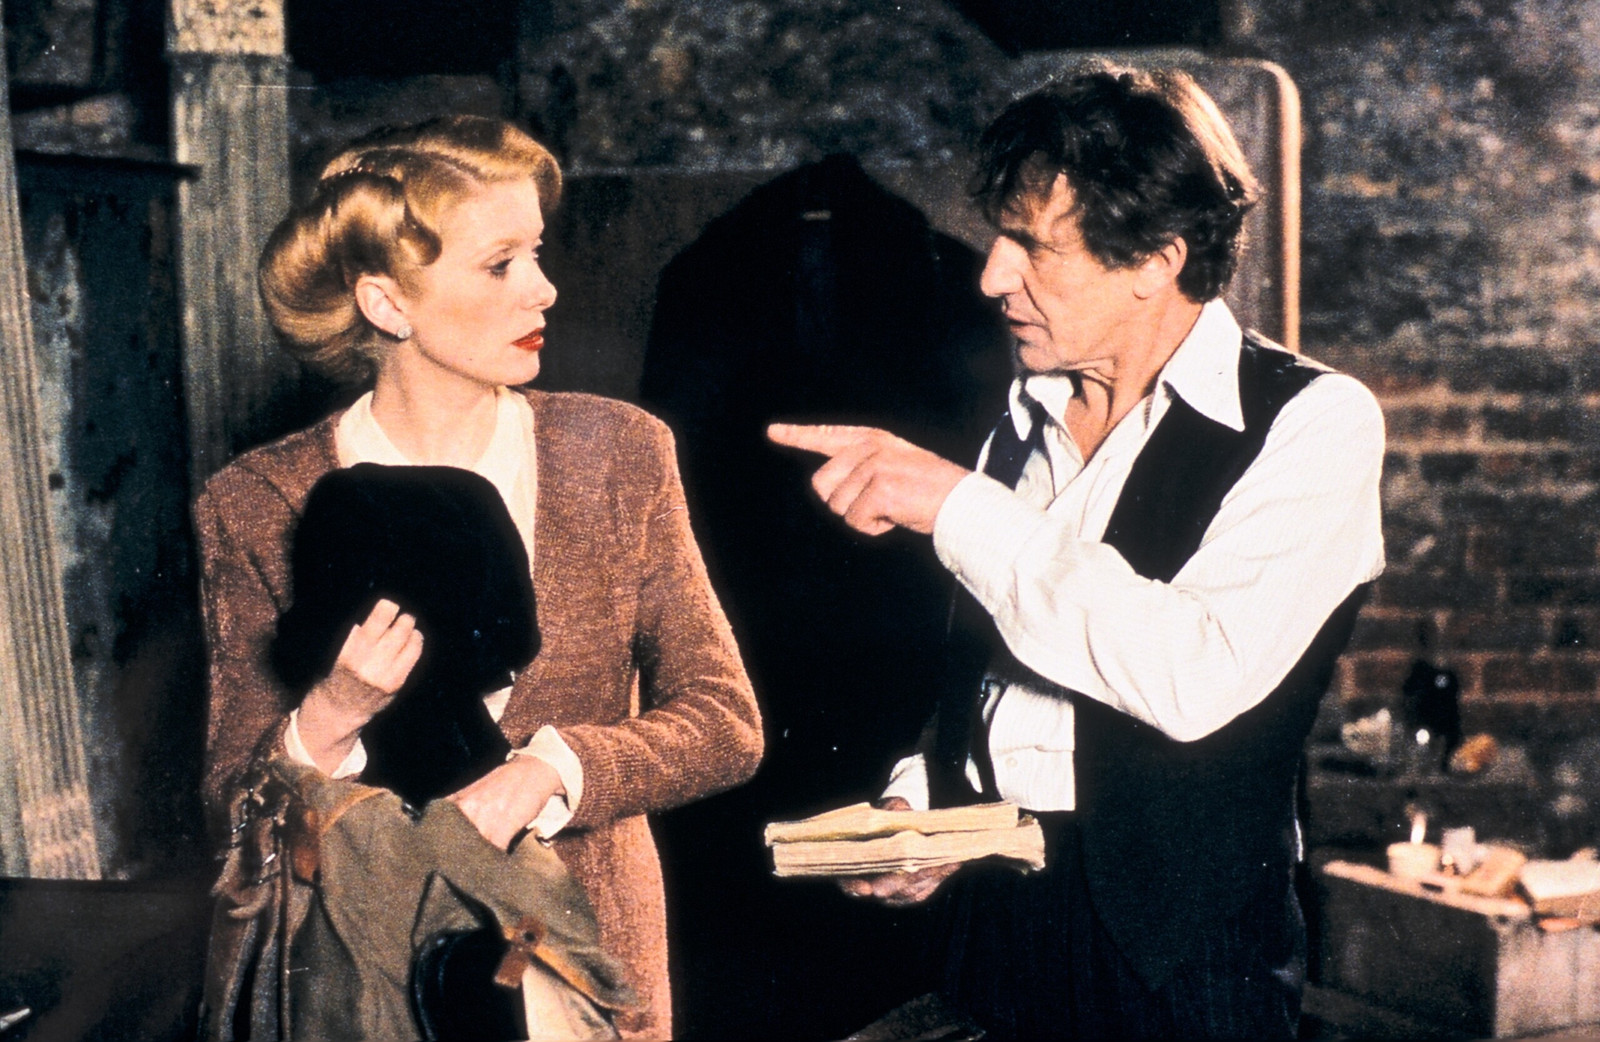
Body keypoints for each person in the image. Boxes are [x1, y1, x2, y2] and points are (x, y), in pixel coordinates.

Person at [768, 66, 1384, 1039]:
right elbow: (998, 683)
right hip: (993, 932)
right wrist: (919, 808)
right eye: (999, 236)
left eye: (1033, 246)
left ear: (1155, 260)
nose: (990, 276)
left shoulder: (1313, 422)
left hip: (1176, 970)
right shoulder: (1019, 420)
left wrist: (957, 505)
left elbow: (1191, 674)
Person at [194, 115, 763, 1039]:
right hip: (365, 979)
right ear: (387, 303)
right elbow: (233, 803)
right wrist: (331, 715)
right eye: (500, 265)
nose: (544, 289)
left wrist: (553, 770)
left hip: (587, 969)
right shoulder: (257, 499)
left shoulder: (619, 452)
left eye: (535, 253)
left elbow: (725, 720)